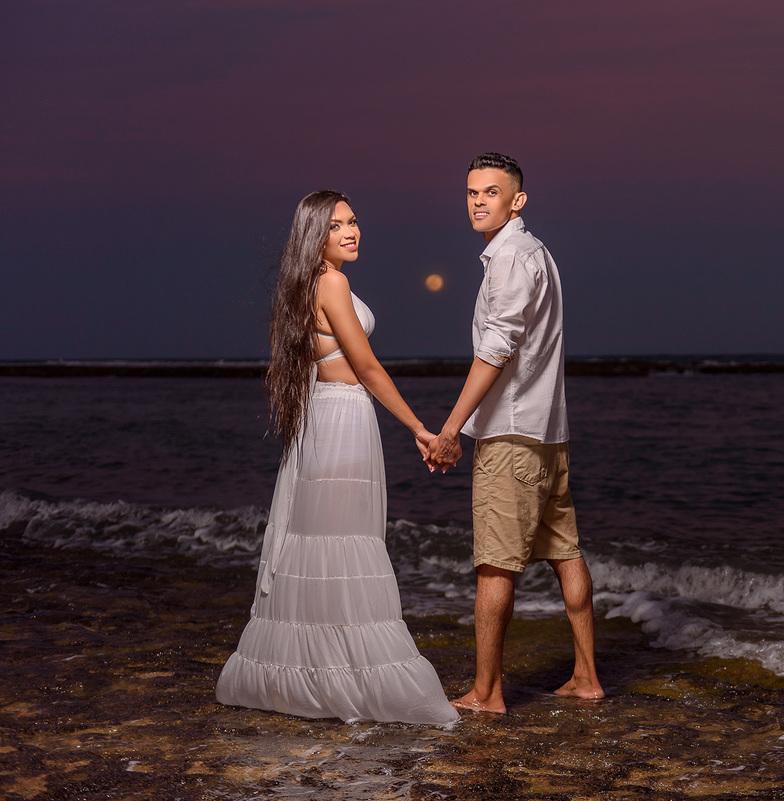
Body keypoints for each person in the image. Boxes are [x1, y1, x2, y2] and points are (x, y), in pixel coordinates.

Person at [216, 190, 459, 726]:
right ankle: (349, 679)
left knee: (321, 547)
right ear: (314, 235)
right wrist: (421, 429)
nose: (351, 232)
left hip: (321, 422)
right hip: (344, 420)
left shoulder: (301, 287)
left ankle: (301, 677)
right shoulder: (331, 282)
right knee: (347, 546)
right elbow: (368, 368)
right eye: (337, 226)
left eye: (353, 222)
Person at [427, 153, 604, 713]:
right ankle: (586, 677)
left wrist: (451, 429)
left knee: (494, 563)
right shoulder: (540, 255)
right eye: (472, 191)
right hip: (549, 434)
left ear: (516, 201)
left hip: (511, 434)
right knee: (565, 553)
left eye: (491, 192)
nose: (478, 201)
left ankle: (486, 693)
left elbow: (497, 347)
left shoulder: (509, 259)